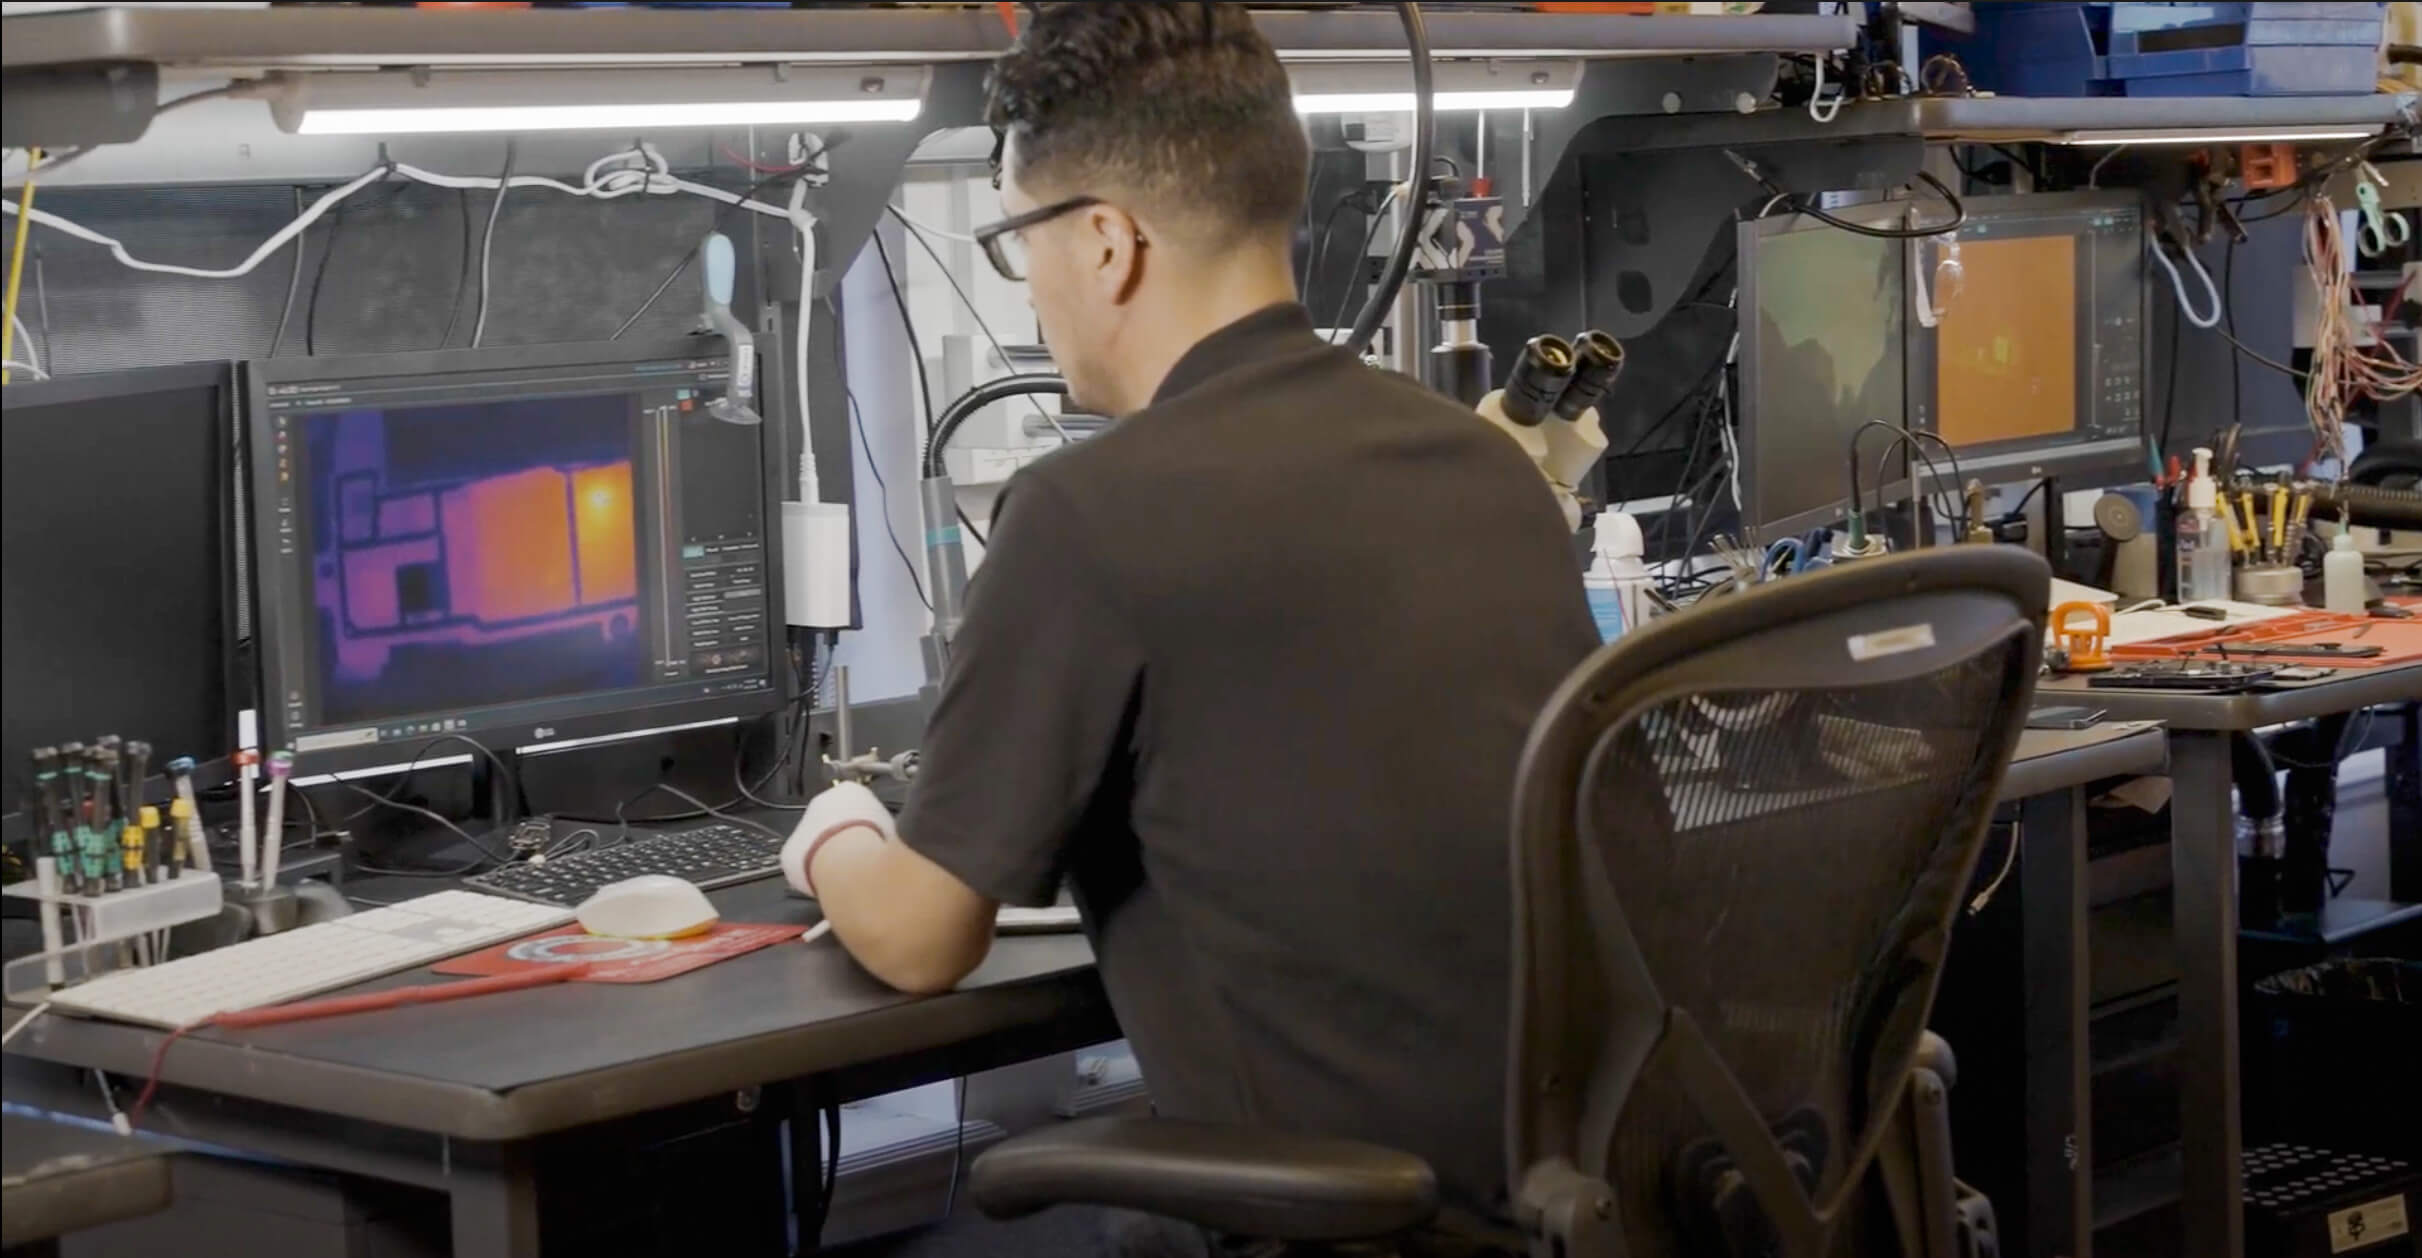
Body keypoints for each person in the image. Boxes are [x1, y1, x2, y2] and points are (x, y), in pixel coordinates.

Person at [787, 1, 1599, 1246]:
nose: (1036, 283)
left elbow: (921, 935)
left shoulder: (1083, 513)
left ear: (1106, 242)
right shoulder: (1484, 465)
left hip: (1335, 1222)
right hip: (1568, 1202)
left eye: (1020, 242)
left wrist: (836, 830)